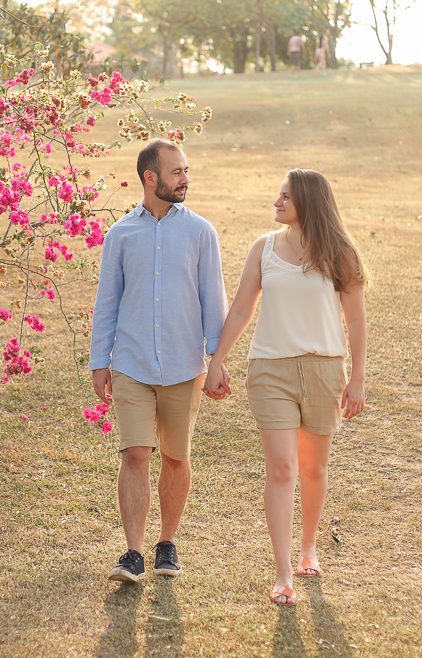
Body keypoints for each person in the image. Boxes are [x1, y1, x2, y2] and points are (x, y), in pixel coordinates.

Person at [203, 169, 368, 606]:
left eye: (285, 197)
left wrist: (357, 378)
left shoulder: (340, 253)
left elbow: (356, 320)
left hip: (324, 370)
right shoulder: (264, 248)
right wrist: (217, 361)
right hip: (270, 371)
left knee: (313, 468)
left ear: (309, 203)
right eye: (278, 195)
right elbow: (240, 310)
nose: (276, 203)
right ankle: (281, 574)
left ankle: (308, 548)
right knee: (281, 469)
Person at [90, 139, 229, 583]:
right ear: (151, 178)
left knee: (174, 457)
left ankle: (167, 543)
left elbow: (214, 302)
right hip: (130, 364)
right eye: (177, 172)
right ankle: (132, 553)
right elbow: (106, 302)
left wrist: (217, 359)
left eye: (186, 171)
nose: (185, 179)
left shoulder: (201, 233)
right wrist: (99, 360)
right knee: (134, 453)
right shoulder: (120, 235)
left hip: (184, 365)